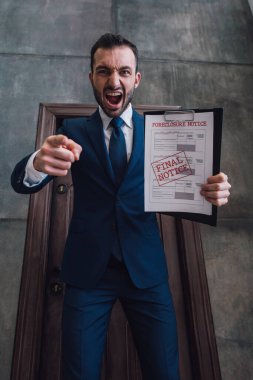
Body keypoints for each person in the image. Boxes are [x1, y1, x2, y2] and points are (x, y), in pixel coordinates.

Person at [11, 33, 231, 380]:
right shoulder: (71, 133)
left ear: (136, 79)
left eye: (124, 72)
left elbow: (194, 187)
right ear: (92, 78)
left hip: (146, 274)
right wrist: (38, 162)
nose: (114, 81)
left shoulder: (163, 136)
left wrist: (213, 194)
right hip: (87, 275)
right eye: (104, 71)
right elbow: (21, 183)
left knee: (164, 372)